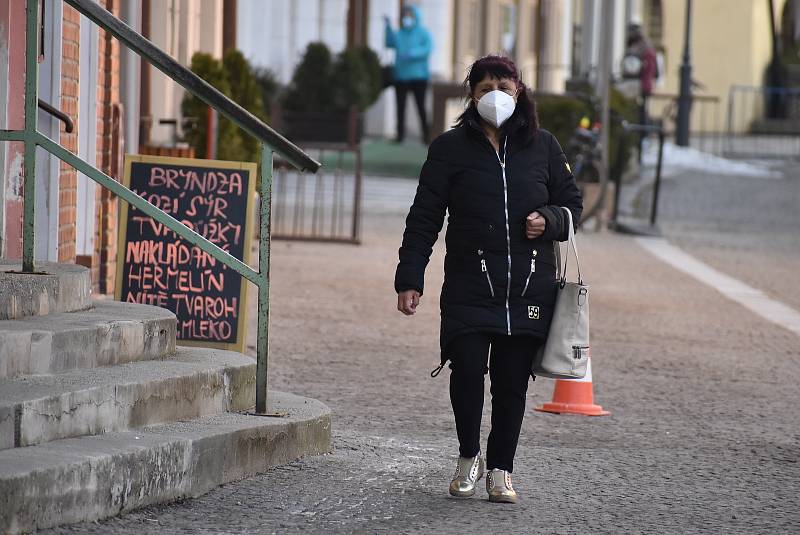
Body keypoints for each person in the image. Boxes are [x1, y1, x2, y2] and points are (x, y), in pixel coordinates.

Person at [394, 55, 583, 503]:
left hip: (528, 286)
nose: (496, 95)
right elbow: (423, 217)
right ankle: (467, 456)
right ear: (472, 95)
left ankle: (502, 469)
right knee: (466, 374)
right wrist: (410, 277)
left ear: (520, 90)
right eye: (485, 88)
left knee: (512, 382)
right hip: (469, 284)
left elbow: (573, 206)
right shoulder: (449, 148)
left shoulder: (544, 146)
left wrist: (550, 219)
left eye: (505, 86)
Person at [384, 5, 432, 143]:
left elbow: (427, 49)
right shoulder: (400, 33)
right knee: (400, 107)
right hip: (401, 76)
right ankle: (400, 135)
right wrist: (387, 27)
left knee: (421, 107)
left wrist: (411, 54)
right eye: (405, 16)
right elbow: (389, 43)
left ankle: (426, 135)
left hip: (419, 77)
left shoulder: (423, 33)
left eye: (409, 16)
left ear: (415, 17)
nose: (407, 18)